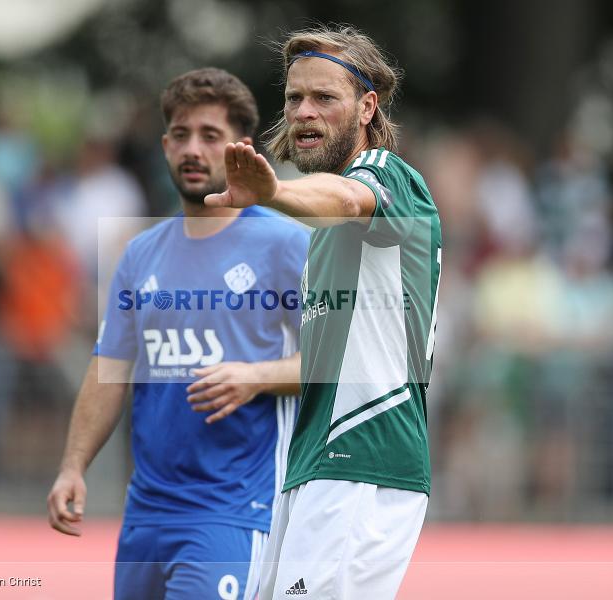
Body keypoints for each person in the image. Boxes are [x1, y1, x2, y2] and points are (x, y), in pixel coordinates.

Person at [46, 68, 308, 600]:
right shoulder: (141, 252)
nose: (193, 149)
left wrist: (256, 377)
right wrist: (73, 466)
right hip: (145, 515)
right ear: (165, 144)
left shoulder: (286, 245)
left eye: (210, 136)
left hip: (232, 512)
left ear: (240, 149)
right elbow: (109, 367)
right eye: (181, 135)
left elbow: (341, 362)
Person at [204, 26, 443, 599]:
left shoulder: (388, 175)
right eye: (294, 98)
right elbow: (324, 360)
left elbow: (344, 198)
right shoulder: (323, 238)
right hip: (316, 462)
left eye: (324, 98)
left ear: (367, 107)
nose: (304, 112)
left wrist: (273, 195)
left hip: (362, 457)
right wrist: (256, 376)